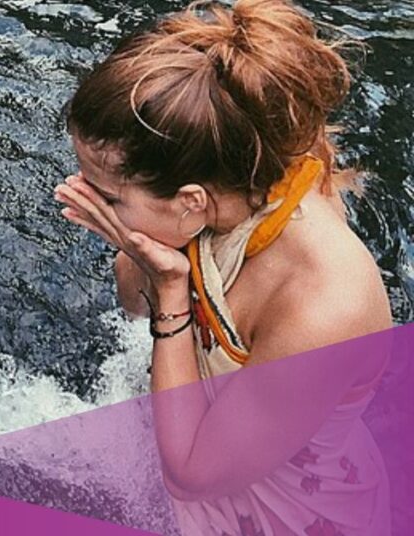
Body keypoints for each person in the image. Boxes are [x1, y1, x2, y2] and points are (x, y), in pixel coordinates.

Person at [52, 1, 395, 534]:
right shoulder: (230, 165)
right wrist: (140, 252)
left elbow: (191, 476)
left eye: (107, 197)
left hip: (292, 514)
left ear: (191, 200)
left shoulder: (323, 304)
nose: (77, 197)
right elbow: (131, 308)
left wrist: (171, 288)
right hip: (213, 435)